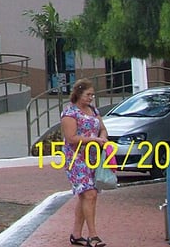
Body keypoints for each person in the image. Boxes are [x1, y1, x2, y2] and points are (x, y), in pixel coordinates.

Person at [61, 78, 109, 247]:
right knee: (89, 194)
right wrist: (93, 139)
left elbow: (102, 128)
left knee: (86, 195)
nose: (90, 98)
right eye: (88, 94)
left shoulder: (93, 110)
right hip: (76, 158)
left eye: (92, 95)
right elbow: (71, 138)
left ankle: (76, 234)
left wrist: (102, 137)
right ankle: (93, 235)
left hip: (93, 157)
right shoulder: (70, 113)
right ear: (78, 94)